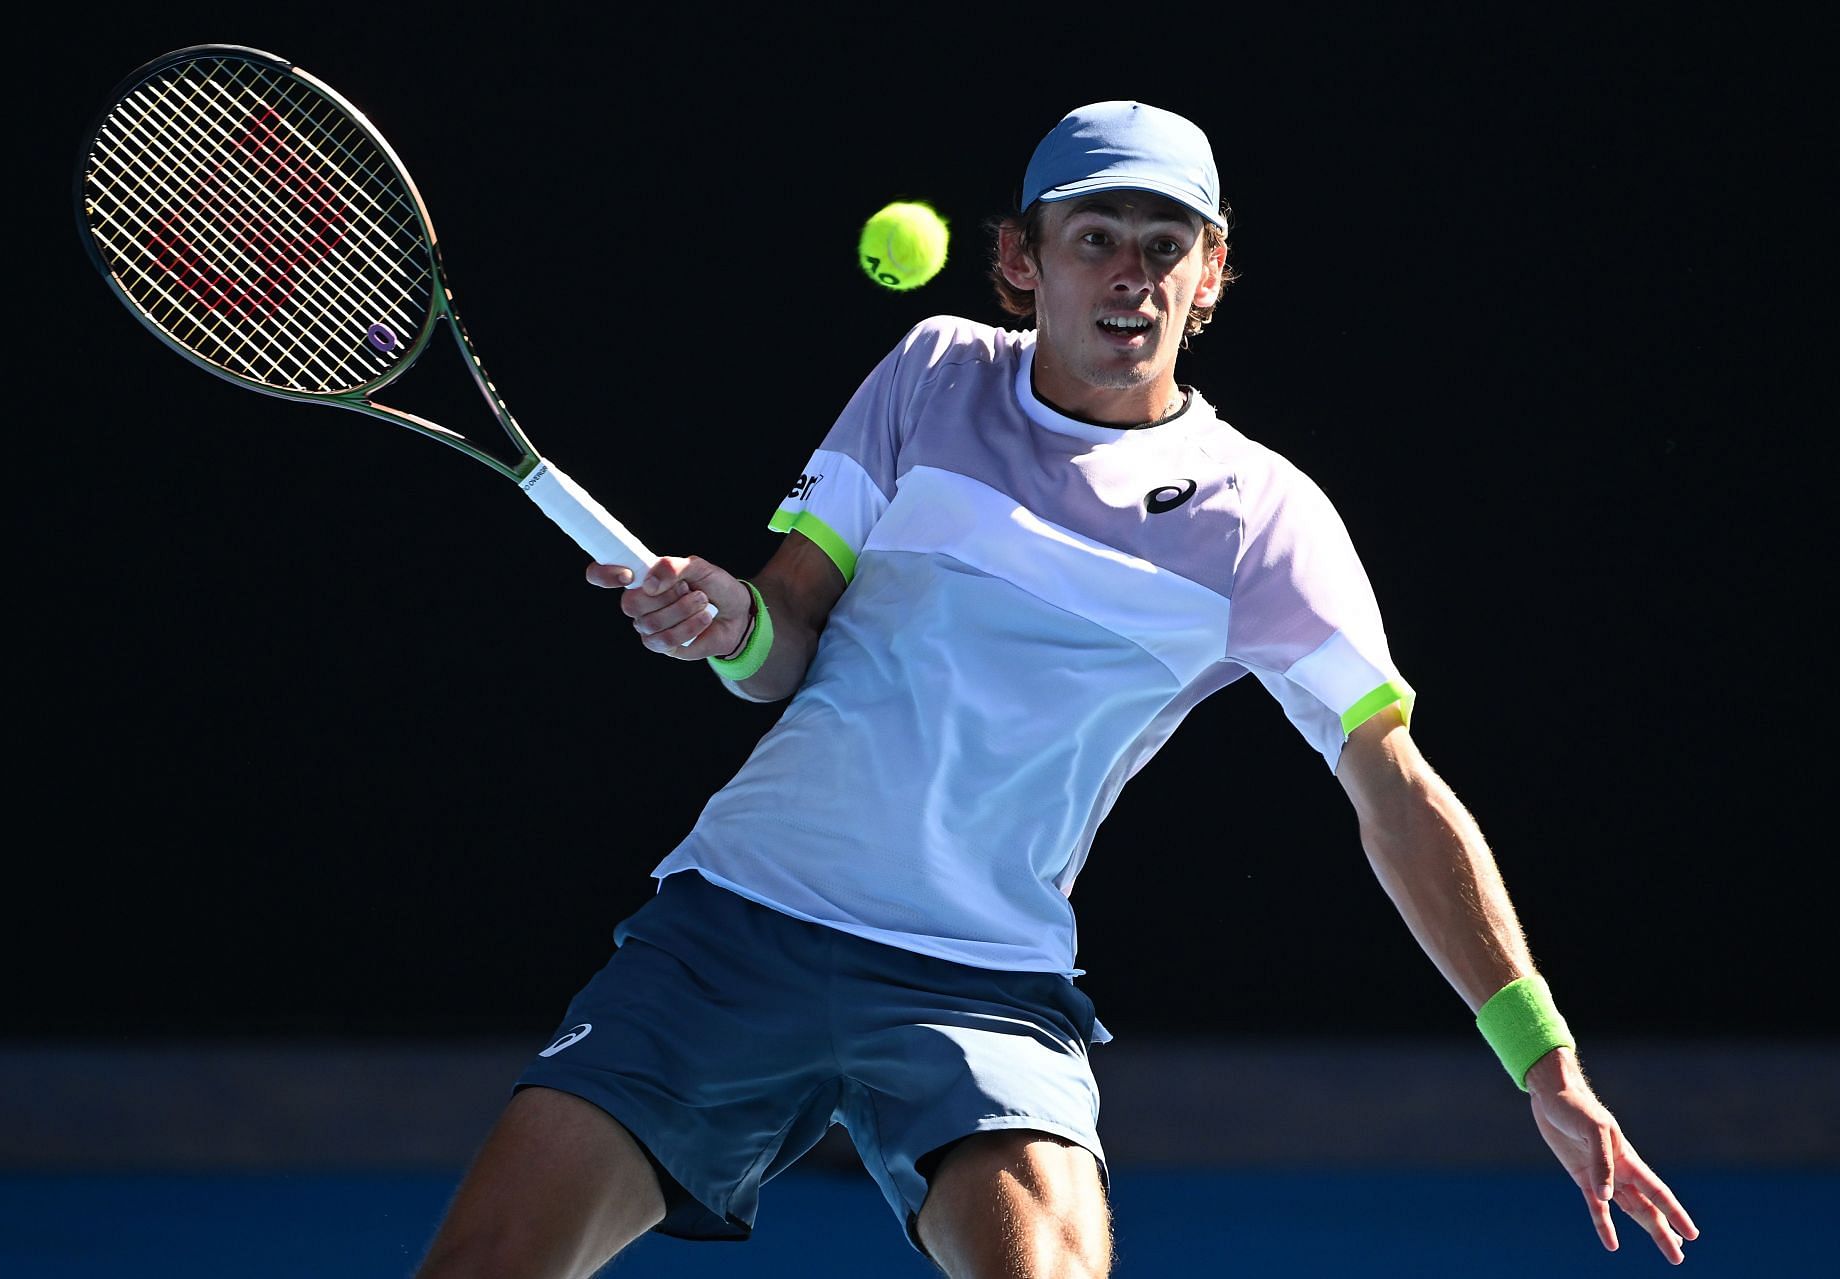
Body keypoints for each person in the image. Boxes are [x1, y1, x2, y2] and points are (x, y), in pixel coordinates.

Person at [416, 101, 1699, 1278]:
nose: (1130, 272)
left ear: (1208, 280)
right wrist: (724, 619)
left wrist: (1546, 1060)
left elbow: (1397, 792)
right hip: (740, 923)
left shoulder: (1263, 521)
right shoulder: (931, 374)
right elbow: (783, 633)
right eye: (1095, 238)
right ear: (1025, 262)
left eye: (1164, 243)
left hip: (980, 982)